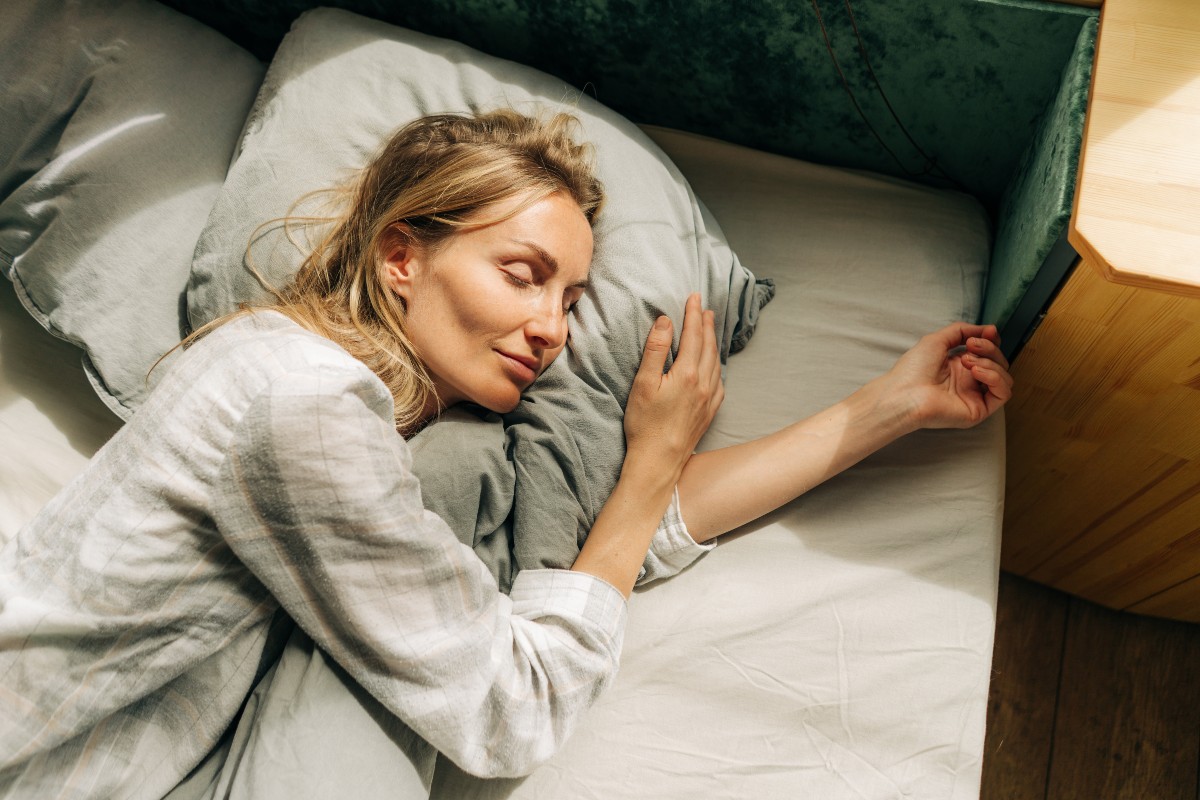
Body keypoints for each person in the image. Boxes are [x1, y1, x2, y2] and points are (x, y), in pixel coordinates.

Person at [0, 109, 1011, 799]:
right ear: (403, 256)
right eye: (523, 275)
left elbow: (572, 556)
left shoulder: (375, 419)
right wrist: (650, 465)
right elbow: (507, 704)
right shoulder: (302, 404)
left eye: (571, 299)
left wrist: (886, 407)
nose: (553, 328)